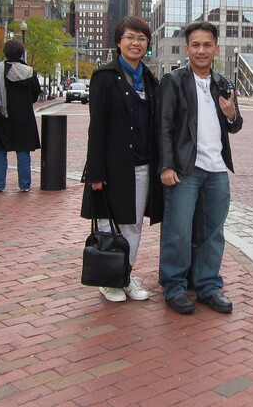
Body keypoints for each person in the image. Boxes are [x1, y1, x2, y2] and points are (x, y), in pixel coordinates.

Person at [157, 21, 243, 314]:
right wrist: (166, 165)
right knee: (178, 231)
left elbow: (235, 125)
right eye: (195, 45)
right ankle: (174, 286)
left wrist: (231, 114)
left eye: (207, 45)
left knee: (213, 232)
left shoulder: (223, 83)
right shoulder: (174, 81)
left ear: (216, 48)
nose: (201, 50)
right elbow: (163, 127)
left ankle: (207, 285)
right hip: (185, 169)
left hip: (217, 170)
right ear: (187, 49)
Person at [81, 16, 164, 302]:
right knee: (108, 223)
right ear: (118, 42)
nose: (135, 43)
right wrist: (95, 171)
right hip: (111, 166)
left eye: (141, 38)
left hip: (142, 165)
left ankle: (125, 275)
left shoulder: (150, 80)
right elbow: (96, 127)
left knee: (132, 224)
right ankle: (109, 280)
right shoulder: (104, 77)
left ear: (147, 44)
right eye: (130, 37)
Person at [0, 39, 41, 192]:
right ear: (21, 53)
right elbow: (35, 93)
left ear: (5, 52)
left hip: (2, 116)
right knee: (23, 150)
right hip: (24, 117)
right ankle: (25, 185)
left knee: (0, 149)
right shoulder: (29, 72)